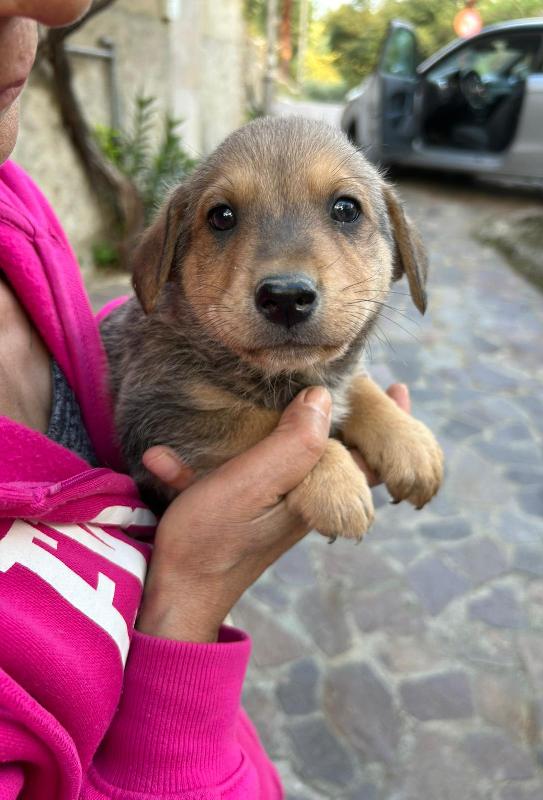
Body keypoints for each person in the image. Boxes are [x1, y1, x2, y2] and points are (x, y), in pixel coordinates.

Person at [0, 3, 411, 798]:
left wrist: (365, 406)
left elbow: (309, 377)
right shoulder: (176, 347)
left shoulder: (20, 215)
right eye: (223, 218)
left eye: (344, 211)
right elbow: (162, 426)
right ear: (168, 259)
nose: (287, 274)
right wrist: (188, 597)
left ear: (402, 254)